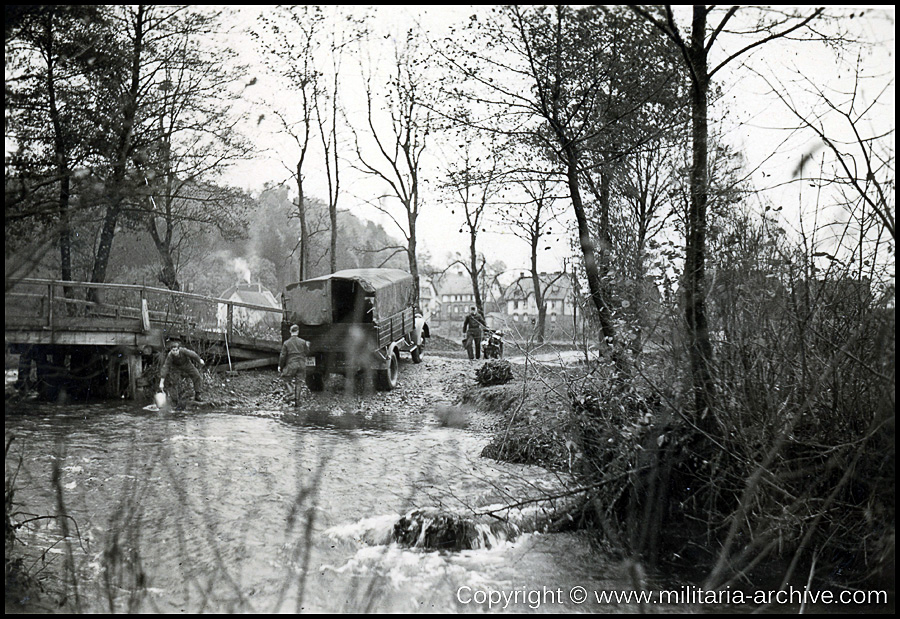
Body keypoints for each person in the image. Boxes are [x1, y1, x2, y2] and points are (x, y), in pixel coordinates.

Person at [159, 337, 205, 402]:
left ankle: (198, 395)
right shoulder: (170, 356)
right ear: (171, 350)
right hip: (176, 368)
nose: (175, 352)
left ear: (178, 349)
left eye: (176, 350)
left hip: (187, 364)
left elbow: (193, 354)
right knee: (173, 381)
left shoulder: (183, 350)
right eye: (173, 350)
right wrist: (161, 382)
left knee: (196, 375)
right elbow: (165, 367)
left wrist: (199, 360)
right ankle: (174, 399)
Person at [279, 324, 310, 403]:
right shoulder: (303, 342)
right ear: (298, 332)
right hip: (301, 365)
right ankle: (297, 401)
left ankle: (290, 392)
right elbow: (307, 352)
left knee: (285, 378)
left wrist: (280, 366)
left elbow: (282, 356)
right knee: (299, 383)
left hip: (292, 364)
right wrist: (308, 346)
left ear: (290, 331)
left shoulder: (286, 343)